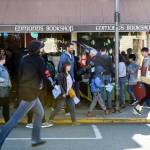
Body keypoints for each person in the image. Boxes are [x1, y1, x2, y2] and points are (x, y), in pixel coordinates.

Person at [0, 40, 47, 149]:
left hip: (26, 91)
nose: (41, 49)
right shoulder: (39, 60)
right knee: (14, 120)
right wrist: (42, 85)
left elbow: (19, 74)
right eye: (40, 47)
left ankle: (36, 139)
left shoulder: (24, 59)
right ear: (37, 49)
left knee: (40, 113)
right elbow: (42, 75)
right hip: (31, 94)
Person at [93, 48, 114, 113]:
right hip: (108, 76)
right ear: (105, 51)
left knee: (101, 92)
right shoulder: (109, 58)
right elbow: (111, 67)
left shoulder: (97, 58)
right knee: (109, 91)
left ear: (100, 51)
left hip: (100, 76)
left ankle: (103, 107)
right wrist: (113, 76)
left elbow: (95, 68)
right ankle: (110, 107)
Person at [133, 47, 150, 115]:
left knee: (148, 95)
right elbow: (144, 69)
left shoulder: (146, 59)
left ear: (146, 52)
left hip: (146, 79)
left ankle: (137, 107)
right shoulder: (146, 58)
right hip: (147, 79)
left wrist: (141, 78)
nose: (142, 54)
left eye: (142, 52)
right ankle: (137, 107)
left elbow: (144, 69)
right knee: (148, 95)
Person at [0, 52, 11, 123]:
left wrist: (9, 82)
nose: (5, 60)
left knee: (6, 106)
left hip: (4, 89)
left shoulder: (3, 67)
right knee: (5, 105)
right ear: (2, 59)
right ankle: (7, 121)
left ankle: (7, 121)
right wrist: (5, 80)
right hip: (1, 88)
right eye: (4, 59)